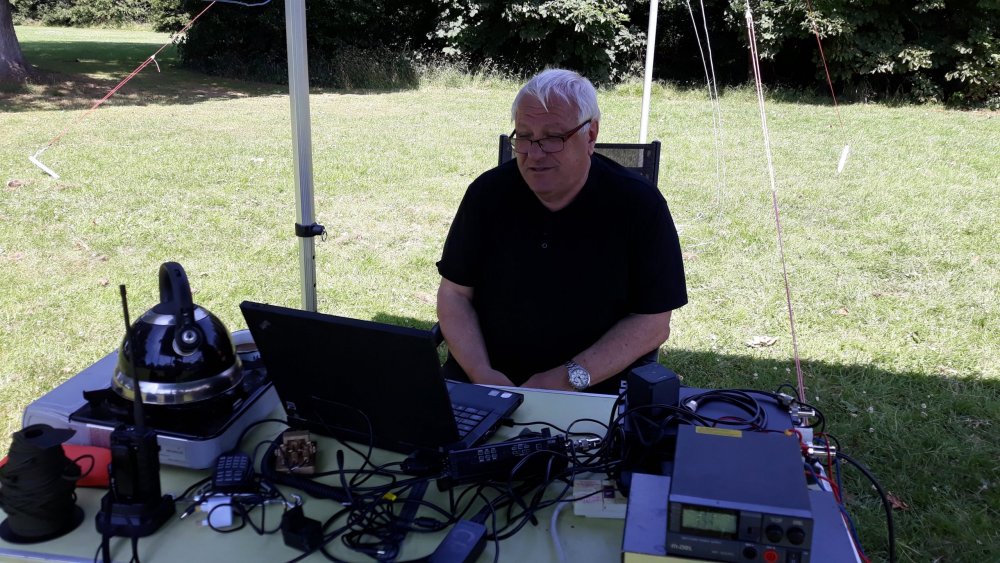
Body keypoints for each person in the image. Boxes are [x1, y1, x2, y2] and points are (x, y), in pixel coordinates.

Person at [436, 68, 687, 394]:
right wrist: (481, 373)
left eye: (553, 138)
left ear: (590, 135)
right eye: (524, 136)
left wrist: (567, 378)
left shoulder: (639, 205)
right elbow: (454, 294)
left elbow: (653, 321)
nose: (534, 154)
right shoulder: (487, 194)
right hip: (485, 382)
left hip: (592, 388)